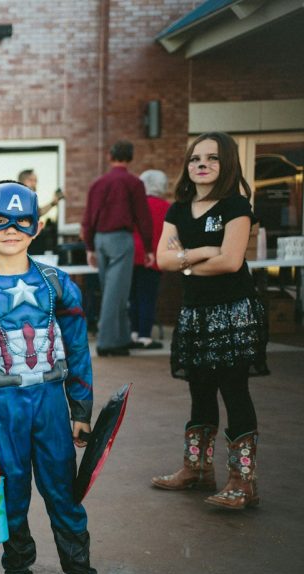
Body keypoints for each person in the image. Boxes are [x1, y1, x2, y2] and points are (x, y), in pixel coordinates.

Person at [0, 181, 127, 574]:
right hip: (3, 407)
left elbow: (78, 350)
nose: (11, 229)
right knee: (11, 495)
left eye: (21, 221)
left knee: (63, 493)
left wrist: (80, 410)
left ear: (38, 226)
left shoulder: (56, 284)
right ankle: (17, 573)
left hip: (49, 403)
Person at [150, 132, 268, 510]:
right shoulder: (178, 210)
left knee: (234, 391)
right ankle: (197, 469)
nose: (202, 164)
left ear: (227, 163)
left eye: (212, 158)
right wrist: (201, 253)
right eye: (195, 158)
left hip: (233, 312)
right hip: (195, 313)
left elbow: (231, 262)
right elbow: (163, 260)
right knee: (199, 390)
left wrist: (184, 261)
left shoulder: (236, 207)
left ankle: (242, 481)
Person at [82, 140, 154, 357]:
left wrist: (89, 247)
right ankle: (106, 343)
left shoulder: (98, 183)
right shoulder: (134, 183)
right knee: (116, 292)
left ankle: (121, 339)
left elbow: (88, 217)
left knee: (113, 290)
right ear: (130, 158)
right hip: (121, 239)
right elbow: (143, 217)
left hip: (100, 239)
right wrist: (149, 247)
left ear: (109, 156)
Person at [128, 170, 169, 350]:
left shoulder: (134, 205)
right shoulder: (167, 207)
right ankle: (145, 336)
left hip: (131, 256)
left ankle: (133, 333)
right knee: (148, 298)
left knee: (133, 297)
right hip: (152, 256)